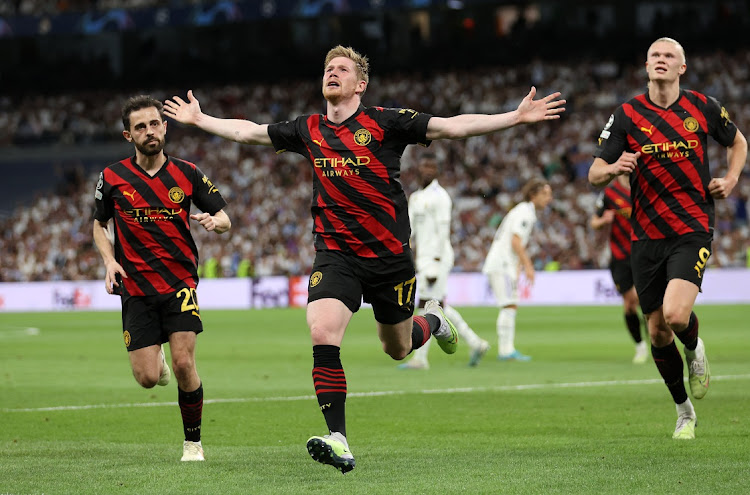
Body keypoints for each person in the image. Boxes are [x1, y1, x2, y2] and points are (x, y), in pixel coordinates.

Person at [163, 45, 565, 473]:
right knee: (321, 331)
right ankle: (338, 437)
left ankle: (434, 320)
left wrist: (513, 117)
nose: (332, 73)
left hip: (390, 258)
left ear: (360, 84)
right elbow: (250, 133)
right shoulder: (308, 129)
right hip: (336, 254)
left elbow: (451, 127)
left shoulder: (385, 122)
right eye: (327, 69)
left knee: (398, 347)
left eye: (342, 69)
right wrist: (200, 119)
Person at [589, 37, 747, 440]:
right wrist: (613, 168)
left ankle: (695, 350)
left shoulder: (702, 107)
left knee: (677, 316)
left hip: (691, 227)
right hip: (645, 235)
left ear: (682, 68)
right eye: (655, 56)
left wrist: (730, 178)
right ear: (646, 67)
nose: (661, 61)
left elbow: (738, 142)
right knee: (658, 330)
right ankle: (684, 411)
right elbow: (594, 173)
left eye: (669, 56)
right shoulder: (626, 115)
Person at [92, 95, 231, 461]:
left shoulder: (187, 173)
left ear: (165, 127)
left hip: (179, 283)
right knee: (148, 378)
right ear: (128, 135)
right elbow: (98, 224)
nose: (149, 131)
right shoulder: (112, 177)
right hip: (135, 288)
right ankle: (157, 361)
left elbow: (224, 216)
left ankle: (193, 443)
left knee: (186, 363)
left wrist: (216, 223)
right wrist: (109, 260)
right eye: (140, 127)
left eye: (154, 124)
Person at [398, 152, 490, 370]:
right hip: (423, 259)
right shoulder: (416, 197)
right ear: (418, 169)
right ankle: (476, 343)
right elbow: (410, 230)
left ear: (437, 171)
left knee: (427, 305)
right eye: (424, 166)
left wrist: (437, 262)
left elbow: (442, 231)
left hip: (437, 259)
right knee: (439, 306)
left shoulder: (441, 196)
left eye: (431, 167)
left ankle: (420, 358)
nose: (427, 170)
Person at [482, 178, 553, 362]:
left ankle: (506, 349)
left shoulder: (524, 211)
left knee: (510, 304)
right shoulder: (524, 213)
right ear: (533, 195)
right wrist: (529, 266)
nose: (549, 198)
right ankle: (506, 351)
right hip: (502, 264)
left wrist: (519, 267)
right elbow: (515, 242)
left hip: (505, 264)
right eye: (545, 194)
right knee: (509, 305)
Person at [590, 174, 648, 364]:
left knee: (648, 302)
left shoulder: (646, 187)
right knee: (631, 303)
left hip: (646, 253)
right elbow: (594, 222)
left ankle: (656, 335)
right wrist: (603, 221)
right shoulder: (609, 193)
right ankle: (640, 346)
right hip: (620, 256)